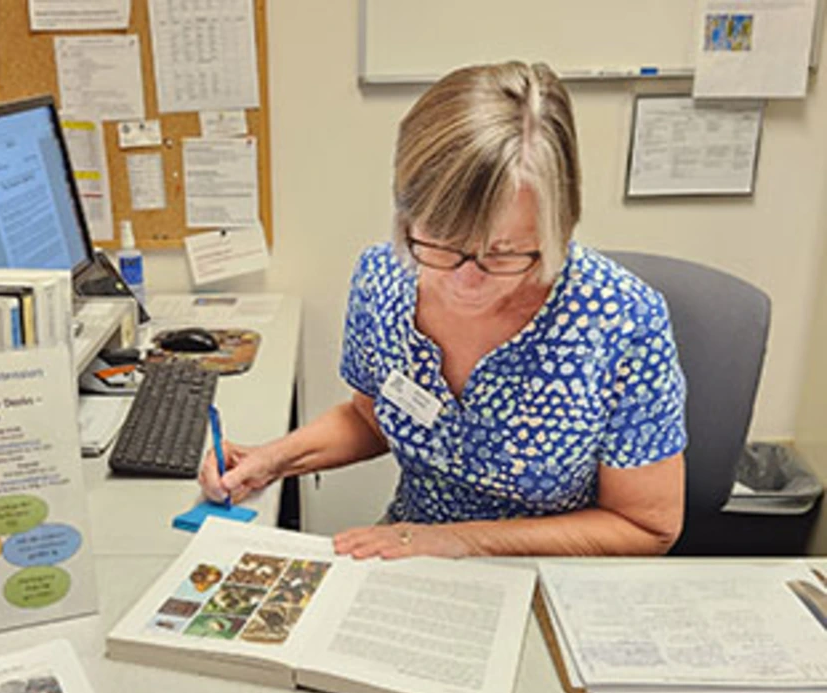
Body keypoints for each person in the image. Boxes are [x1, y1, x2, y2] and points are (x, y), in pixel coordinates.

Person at [199, 61, 687, 559]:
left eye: (503, 253)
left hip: (551, 572)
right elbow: (370, 420)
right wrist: (272, 460)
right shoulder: (384, 279)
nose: (466, 282)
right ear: (406, 216)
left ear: (557, 230)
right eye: (443, 244)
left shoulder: (623, 321)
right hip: (413, 554)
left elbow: (647, 527)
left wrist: (455, 541)